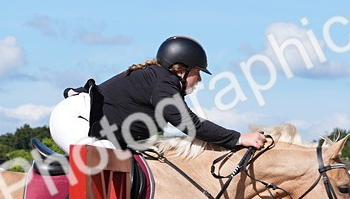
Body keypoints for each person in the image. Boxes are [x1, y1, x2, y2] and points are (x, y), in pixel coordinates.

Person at [49, 36, 267, 154]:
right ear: (182, 70)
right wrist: (238, 138)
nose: (199, 80)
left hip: (88, 124)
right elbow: (191, 126)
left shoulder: (161, 81)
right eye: (198, 73)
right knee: (107, 158)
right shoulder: (163, 84)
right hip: (75, 120)